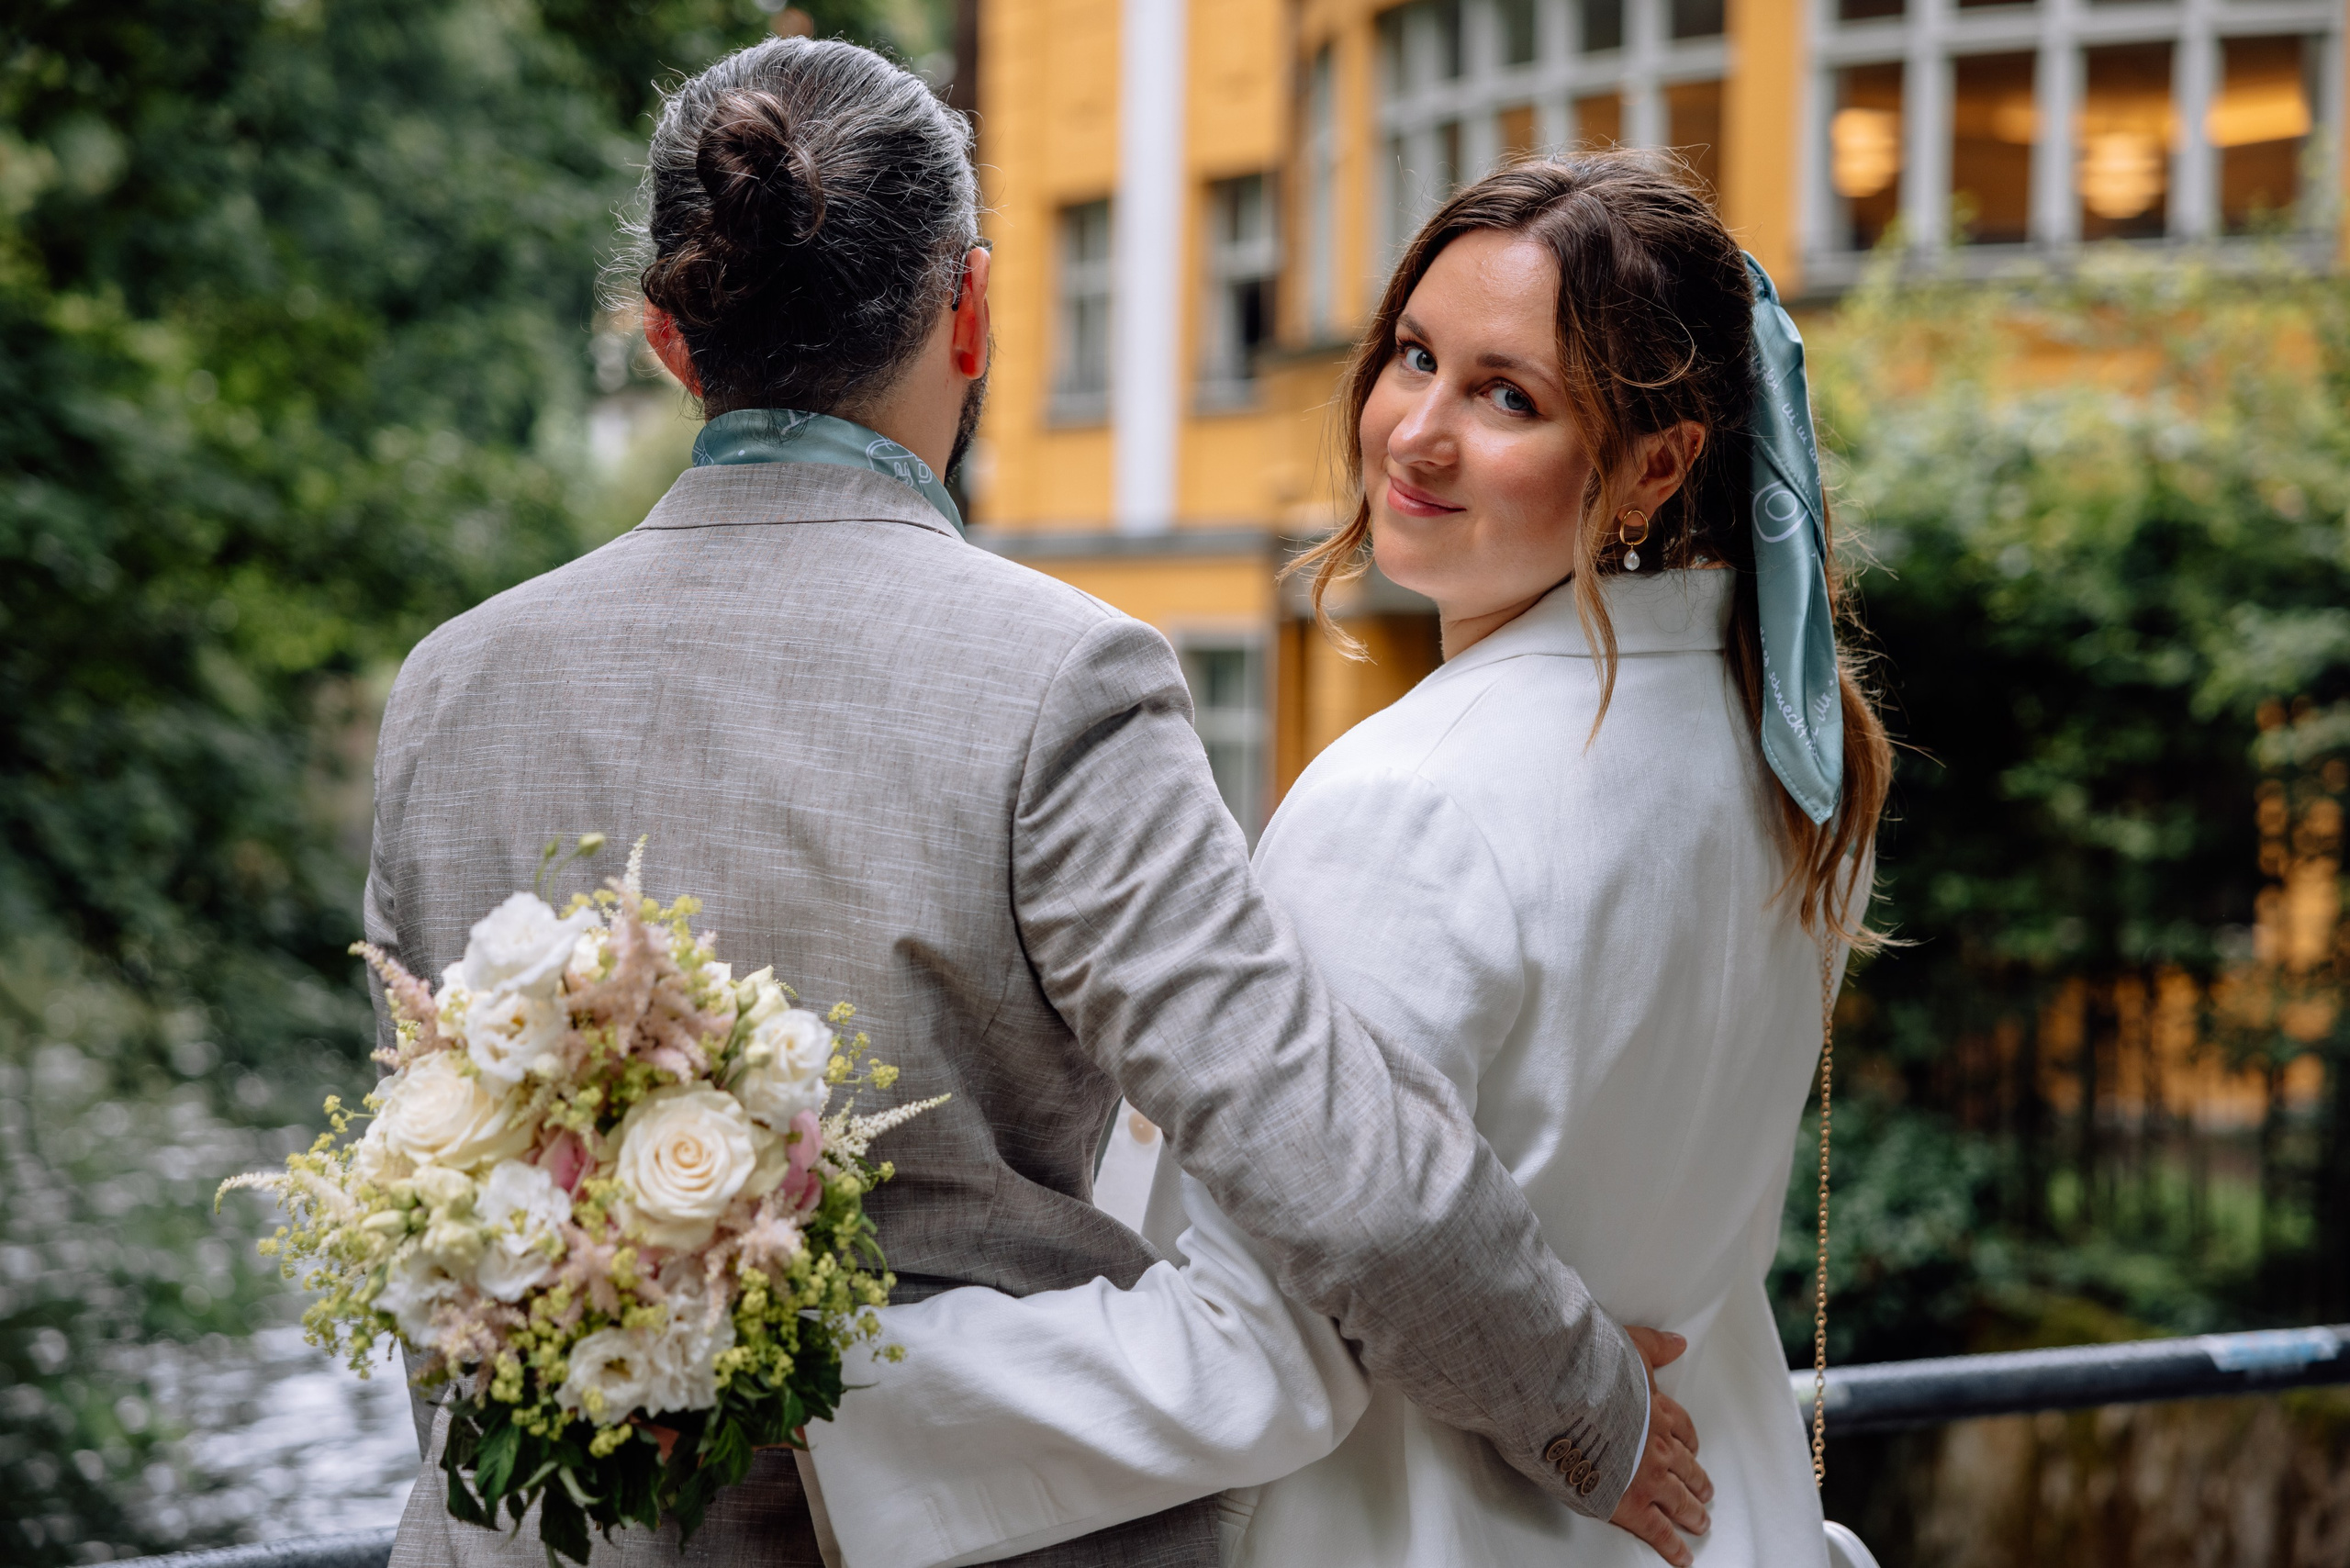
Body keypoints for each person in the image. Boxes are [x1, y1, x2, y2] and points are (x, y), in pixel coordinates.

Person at [374, 40, 1695, 1568]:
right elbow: (1339, 1168)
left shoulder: (451, 685)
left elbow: (446, 1224)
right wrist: (1590, 1406)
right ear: (975, 309)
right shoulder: (1057, 675)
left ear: (673, 337)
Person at [792, 150, 1894, 1568]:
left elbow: (1262, 1343)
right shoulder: (1798, 769)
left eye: (1511, 397)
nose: (1415, 434)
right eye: (1415, 358)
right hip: (1722, 1510)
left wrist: (820, 1404)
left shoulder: (1410, 797)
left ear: (1659, 463)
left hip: (1434, 1523)